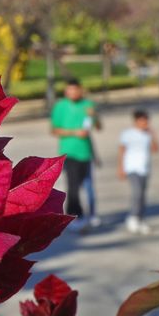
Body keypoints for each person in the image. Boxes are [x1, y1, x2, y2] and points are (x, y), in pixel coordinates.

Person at [50, 78, 100, 227]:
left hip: (85, 152)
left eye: (75, 90)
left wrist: (95, 116)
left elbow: (98, 126)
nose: (72, 93)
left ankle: (92, 215)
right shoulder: (60, 106)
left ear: (80, 90)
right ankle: (74, 215)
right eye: (69, 90)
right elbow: (54, 130)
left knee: (89, 187)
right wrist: (74, 132)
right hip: (69, 152)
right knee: (73, 186)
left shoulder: (88, 105)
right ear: (66, 91)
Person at [119, 109, 157, 234]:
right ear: (136, 121)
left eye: (146, 121)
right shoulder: (127, 134)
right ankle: (133, 217)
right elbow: (122, 150)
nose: (145, 123)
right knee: (137, 193)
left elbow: (155, 149)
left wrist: (152, 135)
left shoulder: (147, 135)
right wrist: (121, 168)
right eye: (142, 121)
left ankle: (141, 218)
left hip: (144, 168)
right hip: (132, 167)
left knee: (143, 195)